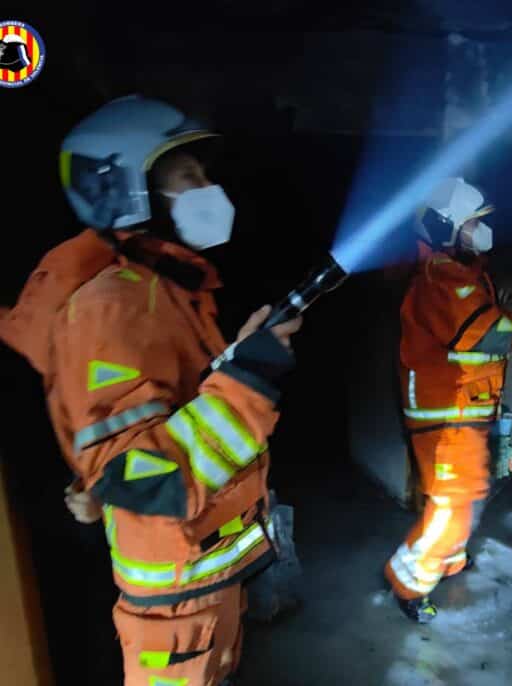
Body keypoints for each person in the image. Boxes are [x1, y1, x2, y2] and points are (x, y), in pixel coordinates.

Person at [0, 95, 302, 686]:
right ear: (124, 189)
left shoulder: (165, 290)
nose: (206, 187)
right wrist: (248, 381)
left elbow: (160, 417)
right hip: (174, 595)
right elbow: (137, 474)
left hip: (203, 578)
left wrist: (240, 362)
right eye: (187, 174)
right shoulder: (112, 305)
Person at [385, 177, 512, 622]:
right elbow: (495, 335)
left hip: (461, 410)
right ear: (446, 228)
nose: (482, 232)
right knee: (454, 504)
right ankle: (407, 582)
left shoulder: (464, 274)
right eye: (473, 224)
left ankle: (446, 562)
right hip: (446, 413)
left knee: (455, 497)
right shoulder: (444, 279)